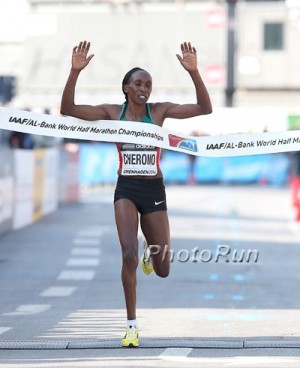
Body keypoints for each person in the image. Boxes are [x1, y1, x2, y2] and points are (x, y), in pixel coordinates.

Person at [60, 40, 212, 347]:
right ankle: (131, 326)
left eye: (149, 84)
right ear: (126, 88)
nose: (145, 88)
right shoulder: (112, 112)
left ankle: (150, 249)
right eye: (139, 83)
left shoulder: (159, 112)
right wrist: (74, 72)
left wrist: (194, 73)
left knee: (164, 269)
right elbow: (68, 110)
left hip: (153, 189)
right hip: (126, 189)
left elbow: (204, 108)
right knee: (126, 254)